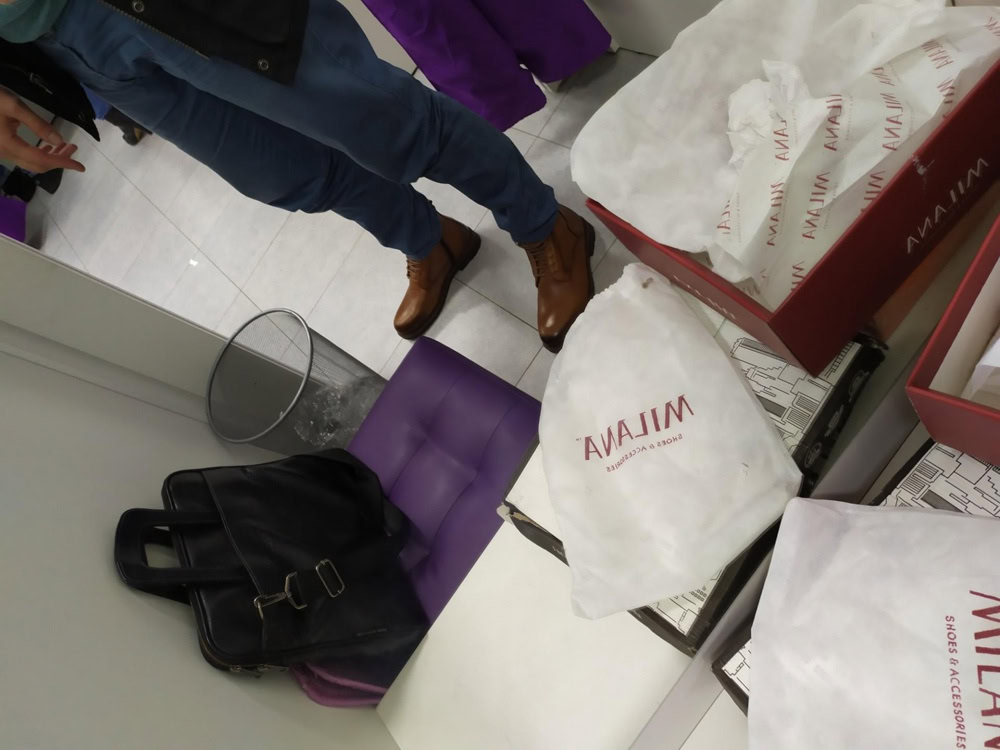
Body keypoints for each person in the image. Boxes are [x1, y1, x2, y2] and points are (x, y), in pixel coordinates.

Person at [0, 0, 596, 352]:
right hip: (51, 42)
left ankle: (545, 225)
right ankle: (430, 239)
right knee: (280, 171)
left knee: (381, 118)